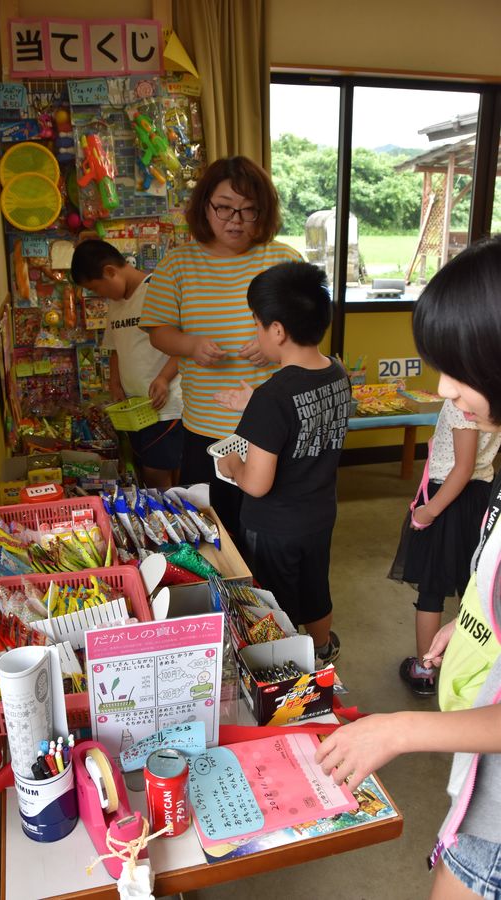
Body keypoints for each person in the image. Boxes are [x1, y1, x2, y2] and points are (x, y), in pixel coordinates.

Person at [315, 236, 501, 900]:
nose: (445, 388)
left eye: (461, 367)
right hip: (480, 799)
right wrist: (472, 624)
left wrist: (399, 728)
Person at [139, 155, 300, 536]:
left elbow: (306, 332)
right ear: (205, 207)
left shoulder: (283, 259)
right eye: (224, 208)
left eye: (248, 210)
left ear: (263, 212)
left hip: (275, 430)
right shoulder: (179, 264)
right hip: (206, 431)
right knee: (215, 534)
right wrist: (190, 345)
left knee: (270, 537)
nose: (236, 221)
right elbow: (158, 331)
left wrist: (278, 346)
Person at [214, 261, 351, 666]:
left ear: (277, 330)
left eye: (257, 325)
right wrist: (253, 404)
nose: (256, 333)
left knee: (271, 601)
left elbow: (257, 483)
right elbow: (307, 416)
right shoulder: (338, 373)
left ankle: (282, 664)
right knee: (314, 587)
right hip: (319, 513)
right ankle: (324, 648)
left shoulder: (272, 396)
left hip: (274, 526)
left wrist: (231, 465)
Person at [390, 397, 501, 696]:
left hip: (449, 498)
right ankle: (478, 667)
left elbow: (462, 469)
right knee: (474, 585)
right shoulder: (493, 392)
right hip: (480, 496)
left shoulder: (462, 402)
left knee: (432, 587)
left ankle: (424, 669)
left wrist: (429, 511)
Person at [70, 239, 183, 489]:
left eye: (99, 289)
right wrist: (114, 382)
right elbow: (115, 348)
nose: (101, 296)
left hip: (165, 404)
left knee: (158, 473)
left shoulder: (157, 291)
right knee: (145, 469)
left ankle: (170, 521)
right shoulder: (115, 304)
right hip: (134, 408)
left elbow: (183, 346)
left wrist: (164, 378)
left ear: (111, 271)